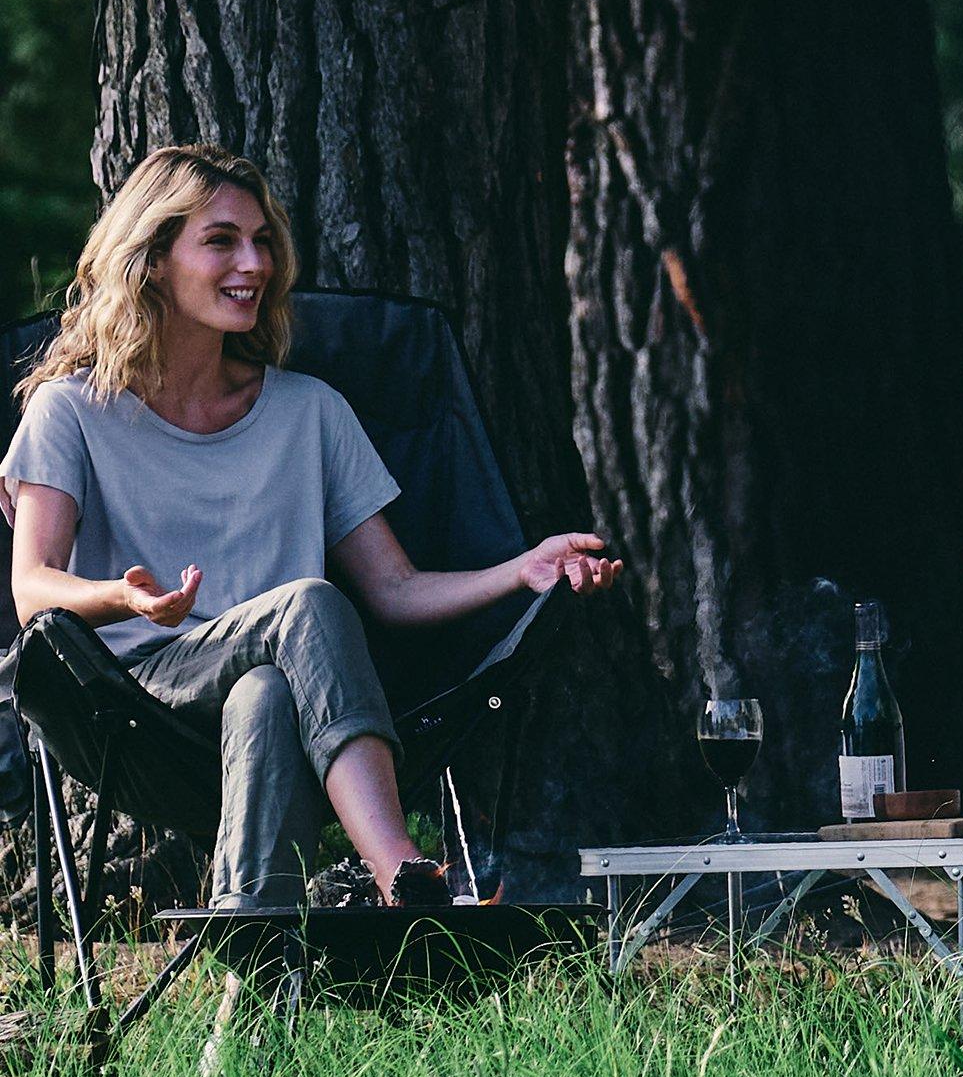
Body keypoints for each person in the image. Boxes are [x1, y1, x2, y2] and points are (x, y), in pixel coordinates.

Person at [7, 145, 622, 908]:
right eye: (222, 240)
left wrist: (522, 570)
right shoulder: (71, 409)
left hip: (285, 699)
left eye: (263, 241)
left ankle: (256, 956)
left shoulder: (311, 412)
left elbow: (394, 589)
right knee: (306, 602)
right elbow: (32, 591)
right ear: (154, 261)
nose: (255, 263)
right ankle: (402, 873)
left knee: (264, 689)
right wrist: (122, 597)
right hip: (132, 701)